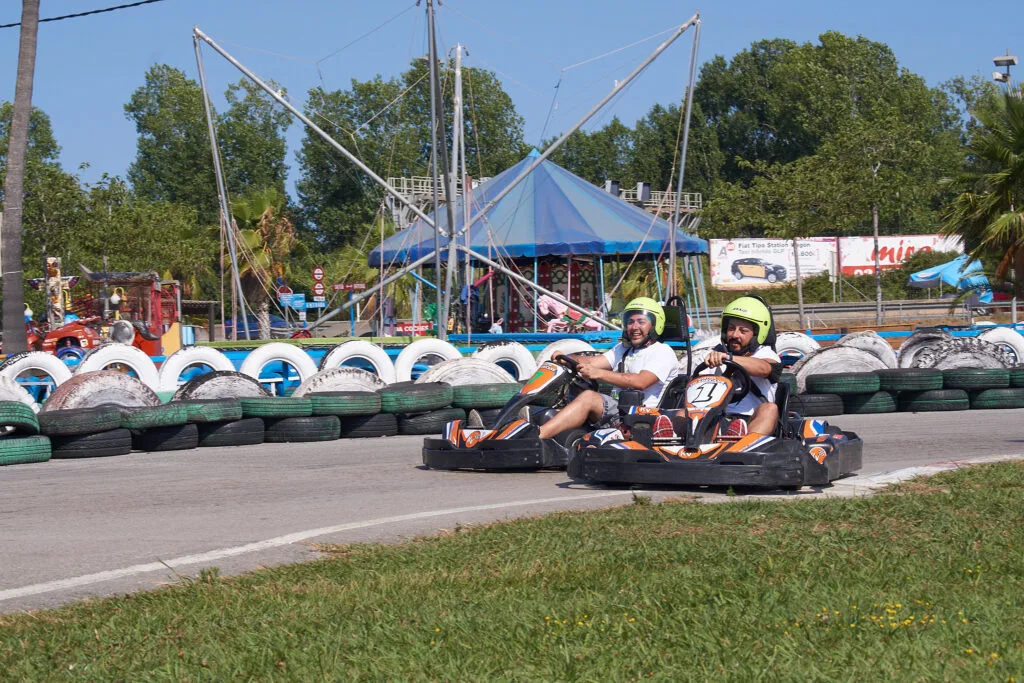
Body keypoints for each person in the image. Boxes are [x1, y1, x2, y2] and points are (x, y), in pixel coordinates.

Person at [530, 297, 679, 439]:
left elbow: (640, 382)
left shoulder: (662, 352)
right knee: (575, 393)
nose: (634, 327)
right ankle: (531, 427)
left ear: (655, 325)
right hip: (618, 410)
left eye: (641, 322)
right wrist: (566, 358)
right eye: (630, 322)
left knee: (589, 398)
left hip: (643, 415)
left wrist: (598, 373)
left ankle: (538, 435)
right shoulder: (623, 349)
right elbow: (592, 362)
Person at [701, 296, 782, 437]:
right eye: (731, 328)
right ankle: (669, 440)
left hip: (751, 420)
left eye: (743, 331)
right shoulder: (714, 353)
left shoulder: (766, 354)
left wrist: (730, 358)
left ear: (757, 334)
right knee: (683, 412)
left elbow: (765, 369)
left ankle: (742, 441)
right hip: (715, 419)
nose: (734, 335)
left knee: (770, 408)